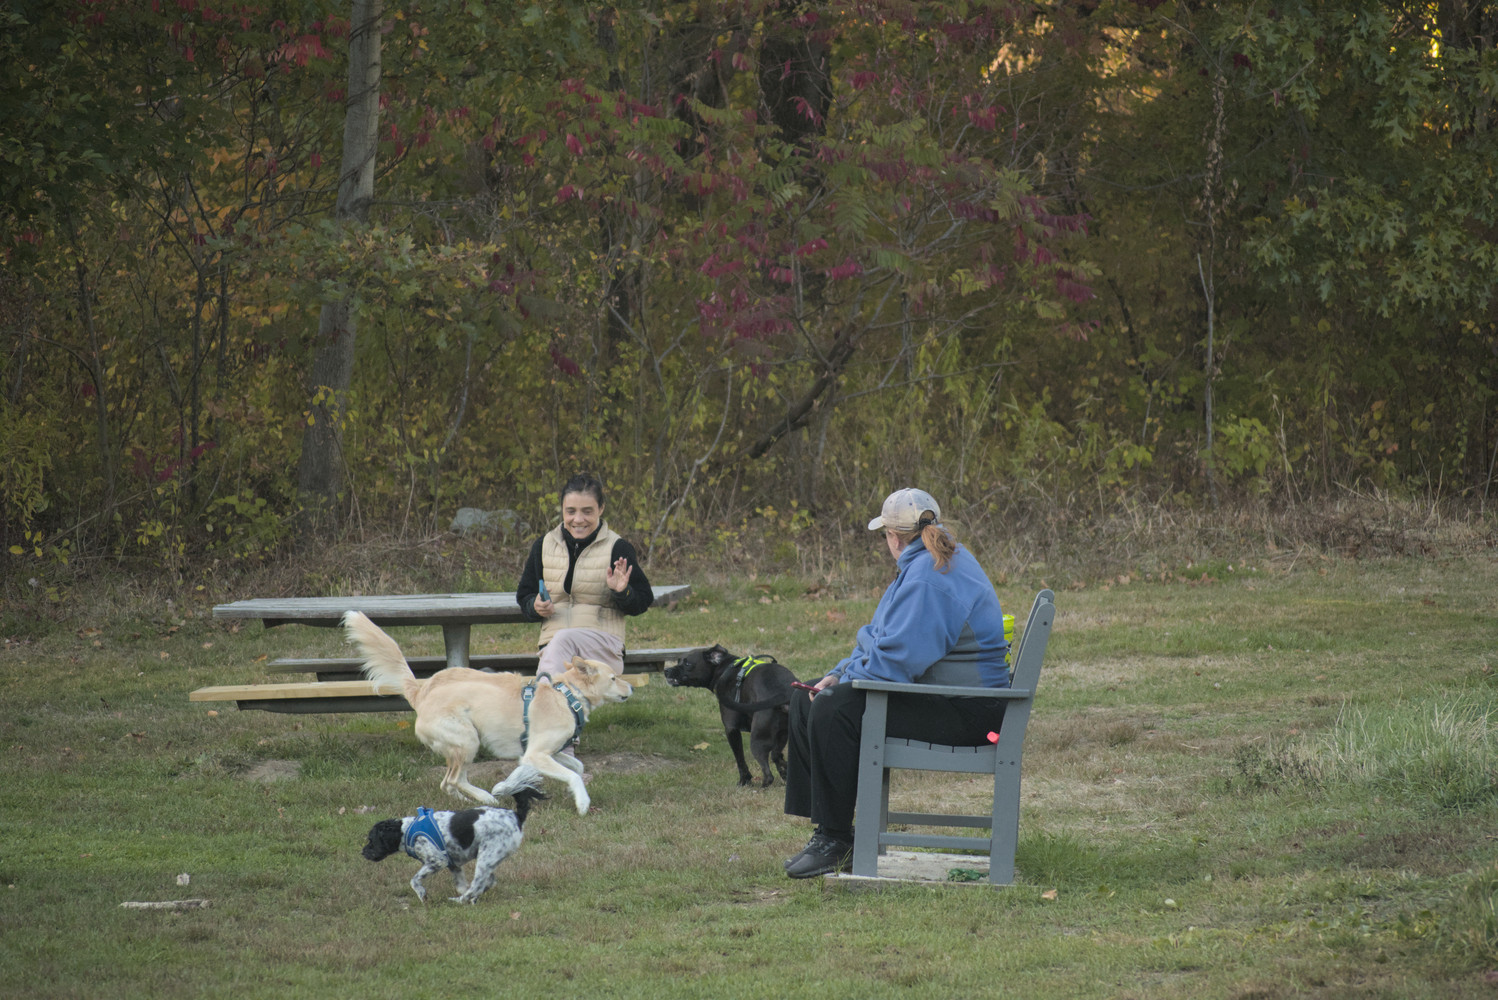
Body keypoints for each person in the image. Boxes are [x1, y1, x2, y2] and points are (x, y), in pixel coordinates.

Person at [781, 487, 1010, 879]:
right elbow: (877, 639)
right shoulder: (926, 562)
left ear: (893, 537)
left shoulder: (928, 578)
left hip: (971, 712)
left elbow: (895, 664)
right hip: (949, 698)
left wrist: (842, 684)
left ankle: (836, 839)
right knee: (810, 696)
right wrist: (840, 672)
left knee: (835, 708)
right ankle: (826, 830)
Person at [516, 473, 655, 682]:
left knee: (562, 640)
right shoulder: (543, 546)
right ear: (562, 509)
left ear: (601, 509)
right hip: (554, 650)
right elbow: (525, 595)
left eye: (587, 511)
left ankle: (543, 695)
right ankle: (548, 696)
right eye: (571, 511)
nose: (578, 519)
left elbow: (643, 600)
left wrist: (622, 592)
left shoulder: (617, 548)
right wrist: (535, 607)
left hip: (602, 648)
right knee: (560, 643)